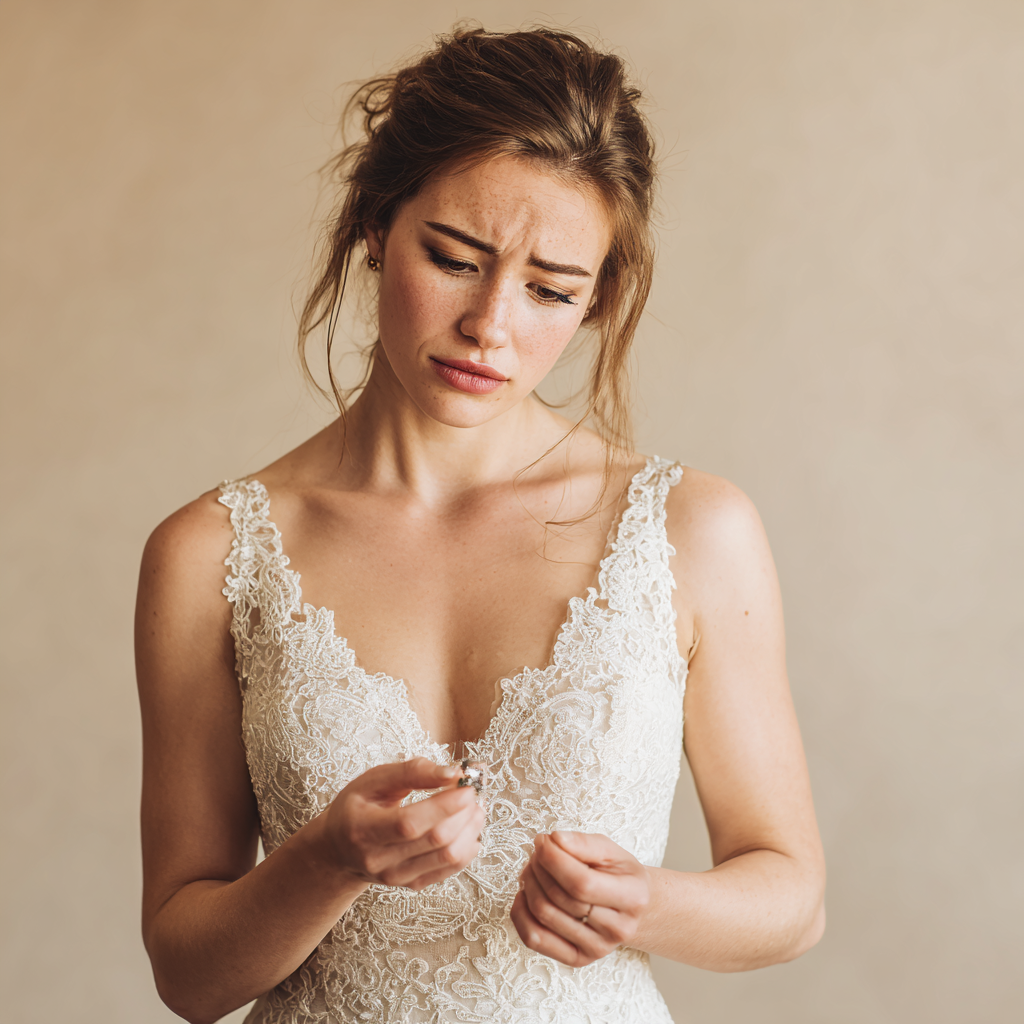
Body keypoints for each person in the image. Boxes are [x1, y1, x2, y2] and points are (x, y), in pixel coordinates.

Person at [135, 26, 825, 1024]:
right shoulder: (210, 553)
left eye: (551, 289)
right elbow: (188, 976)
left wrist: (647, 904)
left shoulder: (691, 529)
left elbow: (790, 897)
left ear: (596, 302)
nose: (491, 324)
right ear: (377, 223)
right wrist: (328, 859)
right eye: (455, 258)